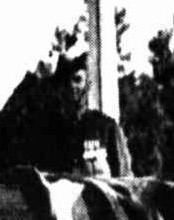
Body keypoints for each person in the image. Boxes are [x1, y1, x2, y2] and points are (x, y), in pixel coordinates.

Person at [46, 47, 133, 177]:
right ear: (58, 87)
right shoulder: (48, 130)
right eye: (66, 81)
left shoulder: (106, 127)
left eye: (77, 79)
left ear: (87, 84)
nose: (72, 86)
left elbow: (124, 180)